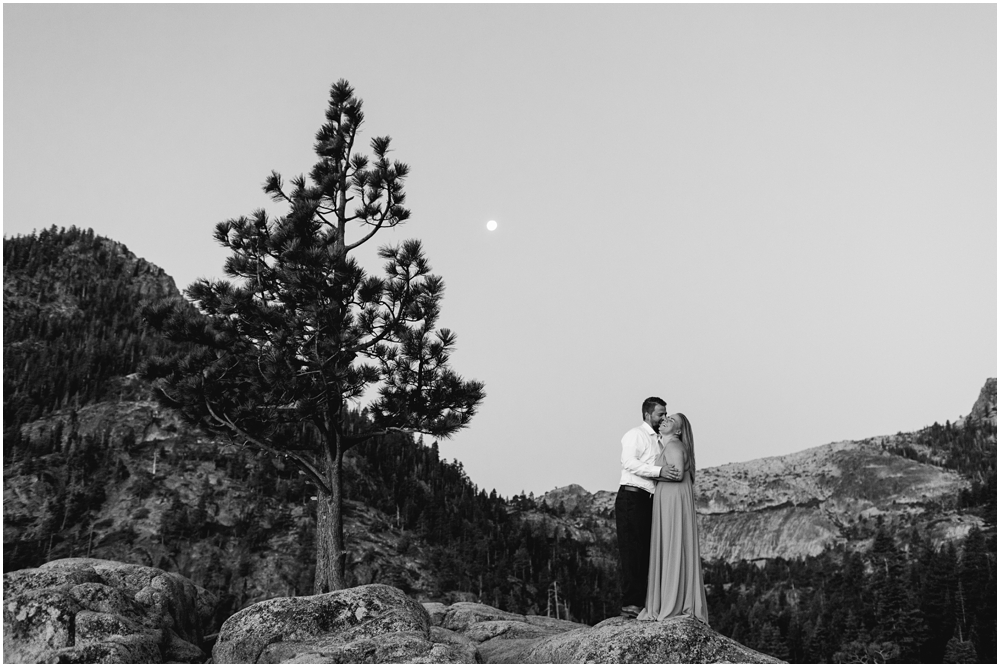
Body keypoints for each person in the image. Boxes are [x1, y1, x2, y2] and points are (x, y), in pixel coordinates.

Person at [637, 412, 709, 623]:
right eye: (666, 418)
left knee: (672, 546)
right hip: (670, 499)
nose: (666, 420)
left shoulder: (674, 445)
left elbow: (676, 474)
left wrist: (651, 472)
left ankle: (671, 602)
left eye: (672, 420)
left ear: (678, 431)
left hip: (672, 501)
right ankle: (672, 599)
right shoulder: (669, 446)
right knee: (671, 546)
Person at [616, 397, 681, 619]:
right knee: (632, 551)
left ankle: (644, 603)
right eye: (659, 414)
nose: (663, 417)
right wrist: (659, 472)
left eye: (665, 414)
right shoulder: (636, 435)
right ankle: (631, 605)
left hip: (648, 500)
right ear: (647, 414)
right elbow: (628, 462)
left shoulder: (660, 440)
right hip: (632, 497)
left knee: (645, 551)